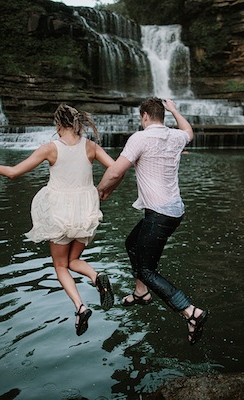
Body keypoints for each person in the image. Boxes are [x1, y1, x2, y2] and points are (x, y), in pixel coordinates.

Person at [0, 104, 115, 336]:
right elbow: (116, 169)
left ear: (58, 124)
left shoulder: (50, 148)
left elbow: (13, 172)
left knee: (60, 265)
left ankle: (80, 307)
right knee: (73, 259)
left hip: (60, 212)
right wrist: (105, 189)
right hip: (85, 210)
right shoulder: (91, 147)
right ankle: (96, 276)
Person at [97, 97, 209, 345]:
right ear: (162, 115)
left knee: (147, 270)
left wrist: (100, 191)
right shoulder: (176, 137)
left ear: (145, 116)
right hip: (173, 211)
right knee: (132, 243)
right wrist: (175, 110)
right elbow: (189, 131)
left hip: (159, 214)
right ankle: (141, 293)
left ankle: (191, 312)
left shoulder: (140, 137)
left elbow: (116, 171)